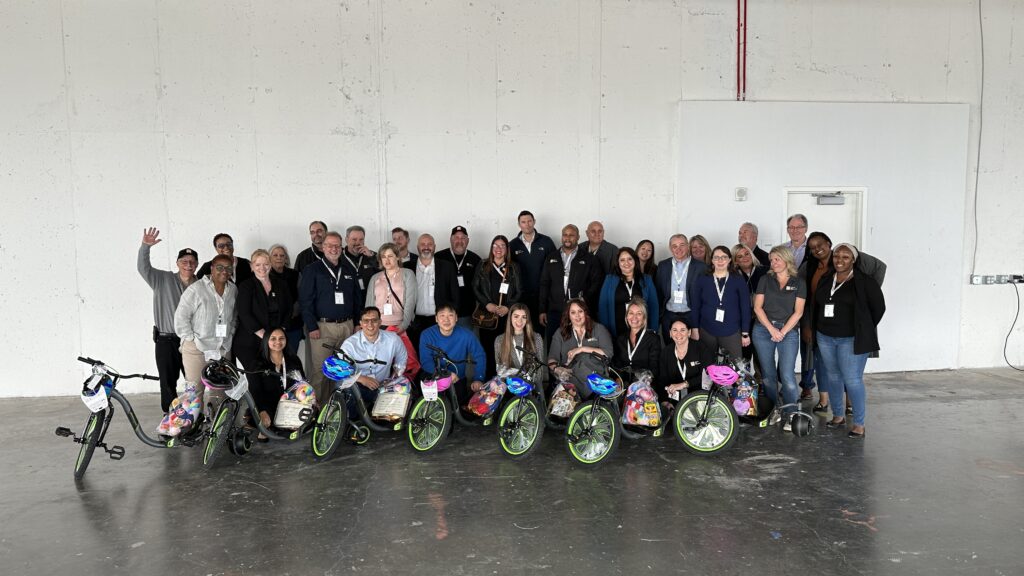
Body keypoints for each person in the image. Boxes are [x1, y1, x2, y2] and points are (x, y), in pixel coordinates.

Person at [812, 243, 885, 439]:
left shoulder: (865, 282)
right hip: (825, 336)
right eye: (837, 256)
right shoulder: (827, 278)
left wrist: (863, 327)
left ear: (853, 260)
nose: (840, 260)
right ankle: (837, 416)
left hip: (851, 339)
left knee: (852, 380)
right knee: (833, 377)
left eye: (845, 257)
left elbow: (878, 308)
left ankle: (859, 424)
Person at [137, 227, 198, 412]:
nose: (188, 265)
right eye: (184, 261)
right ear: (178, 263)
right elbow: (143, 268)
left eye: (192, 262)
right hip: (166, 339)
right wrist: (145, 247)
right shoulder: (161, 279)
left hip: (191, 341)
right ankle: (171, 416)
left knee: (193, 380)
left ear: (196, 265)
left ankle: (194, 415)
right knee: (168, 382)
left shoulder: (201, 285)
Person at [299, 231, 361, 403]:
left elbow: (357, 299)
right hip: (322, 328)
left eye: (337, 245)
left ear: (341, 248)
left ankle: (340, 408)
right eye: (329, 245)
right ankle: (317, 409)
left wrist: (356, 324)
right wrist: (311, 326)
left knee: (345, 369)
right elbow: (305, 301)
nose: (333, 249)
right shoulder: (312, 270)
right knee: (321, 371)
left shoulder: (349, 270)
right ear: (323, 247)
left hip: (348, 326)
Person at [174, 253, 238, 413]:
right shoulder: (196, 289)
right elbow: (181, 317)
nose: (224, 271)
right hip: (197, 348)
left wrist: (230, 334)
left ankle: (217, 429)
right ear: (211, 268)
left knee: (220, 391)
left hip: (222, 348)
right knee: (194, 391)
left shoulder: (233, 290)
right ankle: (192, 427)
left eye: (228, 268)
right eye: (219, 267)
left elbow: (234, 316)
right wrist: (192, 339)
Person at [751, 246, 806, 429]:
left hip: (788, 332)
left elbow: (798, 312)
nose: (773, 263)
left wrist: (782, 332)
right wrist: (772, 329)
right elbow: (758, 307)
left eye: (777, 259)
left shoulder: (799, 282)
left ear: (787, 260)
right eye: (771, 259)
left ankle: (791, 414)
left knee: (787, 375)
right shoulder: (765, 279)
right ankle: (772, 409)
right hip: (763, 330)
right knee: (768, 375)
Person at [538, 224, 602, 344]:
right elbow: (544, 284)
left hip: (579, 313)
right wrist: (542, 309)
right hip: (554, 311)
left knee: (577, 344)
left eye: (571, 235)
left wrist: (584, 299)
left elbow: (596, 283)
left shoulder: (589, 259)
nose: (568, 238)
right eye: (565, 235)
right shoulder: (551, 257)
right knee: (554, 344)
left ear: (578, 237)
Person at [341, 306, 408, 416]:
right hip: (358, 386)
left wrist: (394, 378)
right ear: (361, 323)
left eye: (374, 320)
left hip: (383, 387)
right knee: (349, 391)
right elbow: (339, 368)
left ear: (380, 322)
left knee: (395, 413)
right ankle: (353, 422)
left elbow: (402, 359)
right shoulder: (349, 344)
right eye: (366, 321)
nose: (370, 325)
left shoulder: (393, 339)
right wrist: (361, 379)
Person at [690, 245, 751, 364]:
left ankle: (729, 383)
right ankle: (709, 383)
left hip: (731, 330)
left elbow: (745, 307)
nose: (720, 260)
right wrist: (695, 329)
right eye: (716, 257)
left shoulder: (738, 279)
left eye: (724, 257)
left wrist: (745, 332)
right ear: (712, 260)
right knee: (706, 364)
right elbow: (695, 305)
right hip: (706, 330)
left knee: (735, 365)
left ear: (729, 260)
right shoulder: (703, 279)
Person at [234, 249, 293, 371]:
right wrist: (266, 336)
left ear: (270, 265)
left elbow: (289, 308)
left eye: (266, 264)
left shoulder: (281, 284)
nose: (262, 268)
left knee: (275, 377)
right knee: (256, 380)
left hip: (275, 342)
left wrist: (279, 333)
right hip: (250, 342)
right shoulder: (246, 286)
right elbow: (244, 314)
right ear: (252, 266)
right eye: (258, 264)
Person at [473, 235, 522, 378]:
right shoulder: (483, 265)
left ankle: (507, 383)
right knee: (488, 349)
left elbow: (520, 291)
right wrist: (486, 304)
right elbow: (475, 288)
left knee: (507, 350)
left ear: (507, 249)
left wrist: (508, 307)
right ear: (491, 248)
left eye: (502, 246)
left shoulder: (513, 267)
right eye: (495, 245)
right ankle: (489, 381)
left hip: (506, 317)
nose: (498, 249)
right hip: (488, 316)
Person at [419, 303, 487, 405]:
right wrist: (446, 374)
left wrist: (478, 379)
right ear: (436, 318)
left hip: (457, 379)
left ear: (456, 318)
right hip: (434, 376)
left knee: (459, 408)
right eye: (442, 315)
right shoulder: (427, 334)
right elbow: (425, 361)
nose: (446, 320)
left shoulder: (467, 334)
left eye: (450, 315)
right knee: (433, 408)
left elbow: (479, 355)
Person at [547, 298, 614, 399]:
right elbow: (552, 359)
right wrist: (557, 369)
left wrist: (581, 349)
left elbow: (608, 354)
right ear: (568, 315)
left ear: (585, 313)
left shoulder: (599, 329)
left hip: (596, 380)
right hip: (570, 382)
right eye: (573, 312)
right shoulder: (560, 333)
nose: (577, 316)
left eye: (580, 311)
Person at [404, 233, 460, 348]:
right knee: (417, 355)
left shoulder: (447, 267)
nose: (426, 247)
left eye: (429, 244)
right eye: (423, 244)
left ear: (434, 247)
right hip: (415, 322)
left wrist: (448, 318)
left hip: (439, 321)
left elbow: (455, 295)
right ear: (417, 247)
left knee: (440, 353)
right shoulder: (407, 267)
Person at [250, 328, 305, 440]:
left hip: (291, 403)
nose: (278, 342)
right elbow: (255, 390)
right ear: (266, 341)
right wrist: (262, 410)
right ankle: (266, 426)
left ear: (286, 340)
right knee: (267, 420)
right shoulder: (258, 363)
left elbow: (303, 384)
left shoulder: (294, 360)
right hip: (268, 404)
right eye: (273, 339)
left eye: (281, 338)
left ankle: (283, 427)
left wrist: (311, 400)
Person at [508, 210, 557, 331]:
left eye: (529, 221)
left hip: (543, 296)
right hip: (521, 296)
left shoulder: (546, 242)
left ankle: (540, 351)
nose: (527, 224)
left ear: (534, 222)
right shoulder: (513, 245)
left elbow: (555, 267)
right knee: (522, 330)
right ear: (519, 224)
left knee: (540, 330)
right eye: (523, 222)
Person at [654, 234, 705, 344]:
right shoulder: (663, 265)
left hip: (691, 314)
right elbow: (659, 292)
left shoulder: (701, 267)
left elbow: (704, 295)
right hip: (669, 315)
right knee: (670, 348)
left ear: (687, 246)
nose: (679, 249)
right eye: (675, 246)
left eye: (682, 245)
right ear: (670, 248)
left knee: (693, 349)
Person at [598, 247, 659, 339]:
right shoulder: (609, 280)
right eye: (622, 260)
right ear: (618, 263)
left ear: (635, 260)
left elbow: (654, 307)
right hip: (615, 331)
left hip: (642, 331)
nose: (626, 263)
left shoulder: (647, 280)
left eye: (630, 259)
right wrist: (605, 333)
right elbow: (603, 307)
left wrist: (653, 331)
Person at [435, 226, 482, 332]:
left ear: (468, 240)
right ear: (451, 240)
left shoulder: (476, 259)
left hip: (467, 313)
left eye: (463, 238)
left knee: (464, 344)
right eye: (456, 238)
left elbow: (480, 287)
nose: (459, 241)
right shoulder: (439, 257)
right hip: (443, 313)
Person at [365, 243, 417, 334]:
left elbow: (411, 301)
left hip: (400, 325)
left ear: (397, 257)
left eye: (390, 256)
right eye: (383, 257)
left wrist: (403, 325)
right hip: (378, 326)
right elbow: (369, 305)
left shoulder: (408, 274)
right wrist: (370, 325)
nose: (387, 260)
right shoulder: (375, 277)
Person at [612, 298, 661, 391]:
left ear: (644, 318)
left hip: (645, 386)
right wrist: (618, 379)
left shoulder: (653, 339)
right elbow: (617, 365)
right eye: (631, 313)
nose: (634, 317)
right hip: (624, 385)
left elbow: (655, 368)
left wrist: (642, 383)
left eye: (639, 313)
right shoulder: (621, 339)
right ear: (626, 317)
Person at [658, 319, 702, 410]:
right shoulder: (666, 352)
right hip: (674, 400)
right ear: (670, 333)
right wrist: (664, 401)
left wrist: (684, 384)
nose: (678, 334)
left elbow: (707, 375)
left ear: (689, 332)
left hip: (698, 398)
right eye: (674, 330)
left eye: (682, 330)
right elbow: (662, 380)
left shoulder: (701, 349)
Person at [733, 243, 766, 363]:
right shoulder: (733, 276)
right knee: (744, 353)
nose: (745, 257)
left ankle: (763, 380)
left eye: (747, 254)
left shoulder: (765, 271)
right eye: (740, 256)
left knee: (761, 354)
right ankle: (746, 381)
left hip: (762, 319)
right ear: (735, 261)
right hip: (742, 321)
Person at [269, 244, 304, 355]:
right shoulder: (264, 275)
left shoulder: (295, 275)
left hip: (292, 325)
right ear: (269, 258)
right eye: (275, 255)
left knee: (291, 357)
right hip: (271, 326)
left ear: (286, 258)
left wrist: (289, 315)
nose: (279, 257)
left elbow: (302, 297)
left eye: (282, 255)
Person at [495, 303, 545, 379]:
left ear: (527, 319)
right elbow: (500, 372)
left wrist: (525, 381)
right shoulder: (499, 340)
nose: (520, 321)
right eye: (516, 316)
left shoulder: (536, 338)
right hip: (510, 386)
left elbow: (540, 372)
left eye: (524, 317)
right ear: (510, 318)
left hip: (532, 386)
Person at [341, 225, 379, 294]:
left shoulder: (372, 255)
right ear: (346, 240)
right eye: (354, 239)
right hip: (348, 300)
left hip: (368, 300)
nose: (358, 243)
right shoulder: (339, 257)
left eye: (361, 239)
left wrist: (371, 257)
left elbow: (383, 272)